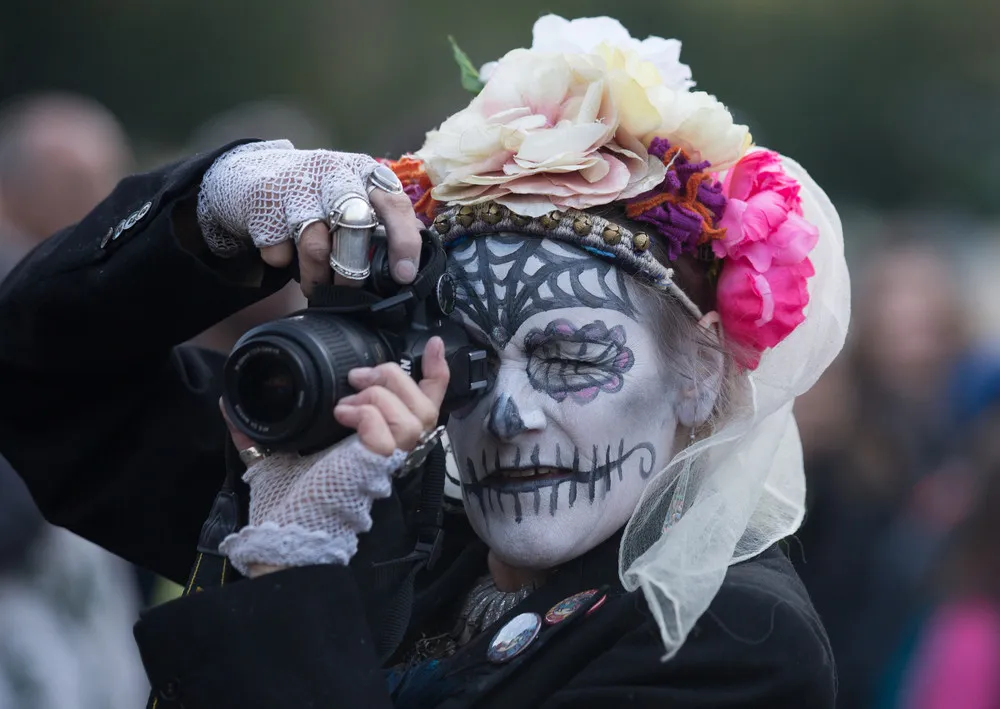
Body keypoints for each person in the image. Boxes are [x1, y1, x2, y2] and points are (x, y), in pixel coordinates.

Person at [0, 15, 849, 708]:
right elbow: (41, 382)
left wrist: (292, 580)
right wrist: (217, 210)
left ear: (699, 367)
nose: (509, 413)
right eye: (472, 357)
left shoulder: (726, 635)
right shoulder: (392, 510)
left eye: (569, 356)